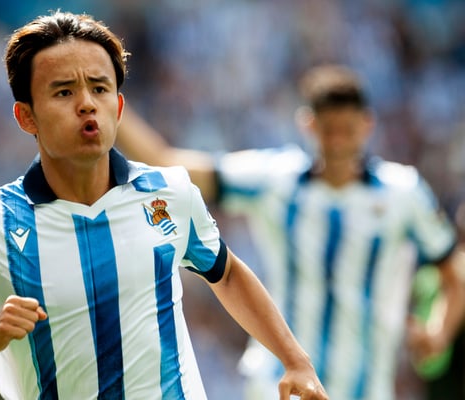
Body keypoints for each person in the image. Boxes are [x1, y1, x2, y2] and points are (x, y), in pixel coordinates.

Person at [0, 10, 327, 400]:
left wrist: (295, 360)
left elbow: (227, 272)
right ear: (26, 116)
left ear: (118, 106)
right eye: (64, 91)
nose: (87, 103)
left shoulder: (168, 192)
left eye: (100, 88)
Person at [115, 64, 465, 399]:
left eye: (347, 130)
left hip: (365, 388)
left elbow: (455, 272)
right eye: (329, 130)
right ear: (308, 124)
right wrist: (107, 104)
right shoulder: (276, 180)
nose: (338, 142)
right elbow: (167, 161)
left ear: (367, 125)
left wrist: (439, 332)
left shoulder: (402, 193)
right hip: (279, 383)